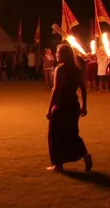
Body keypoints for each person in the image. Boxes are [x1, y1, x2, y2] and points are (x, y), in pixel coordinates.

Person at [45, 44, 93, 173]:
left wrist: (50, 109)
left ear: (64, 55)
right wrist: (84, 105)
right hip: (73, 105)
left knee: (54, 134)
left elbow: (56, 90)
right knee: (72, 133)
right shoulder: (76, 70)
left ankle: (58, 164)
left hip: (62, 106)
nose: (56, 54)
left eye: (58, 52)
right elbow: (83, 88)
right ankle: (85, 155)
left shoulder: (60, 70)